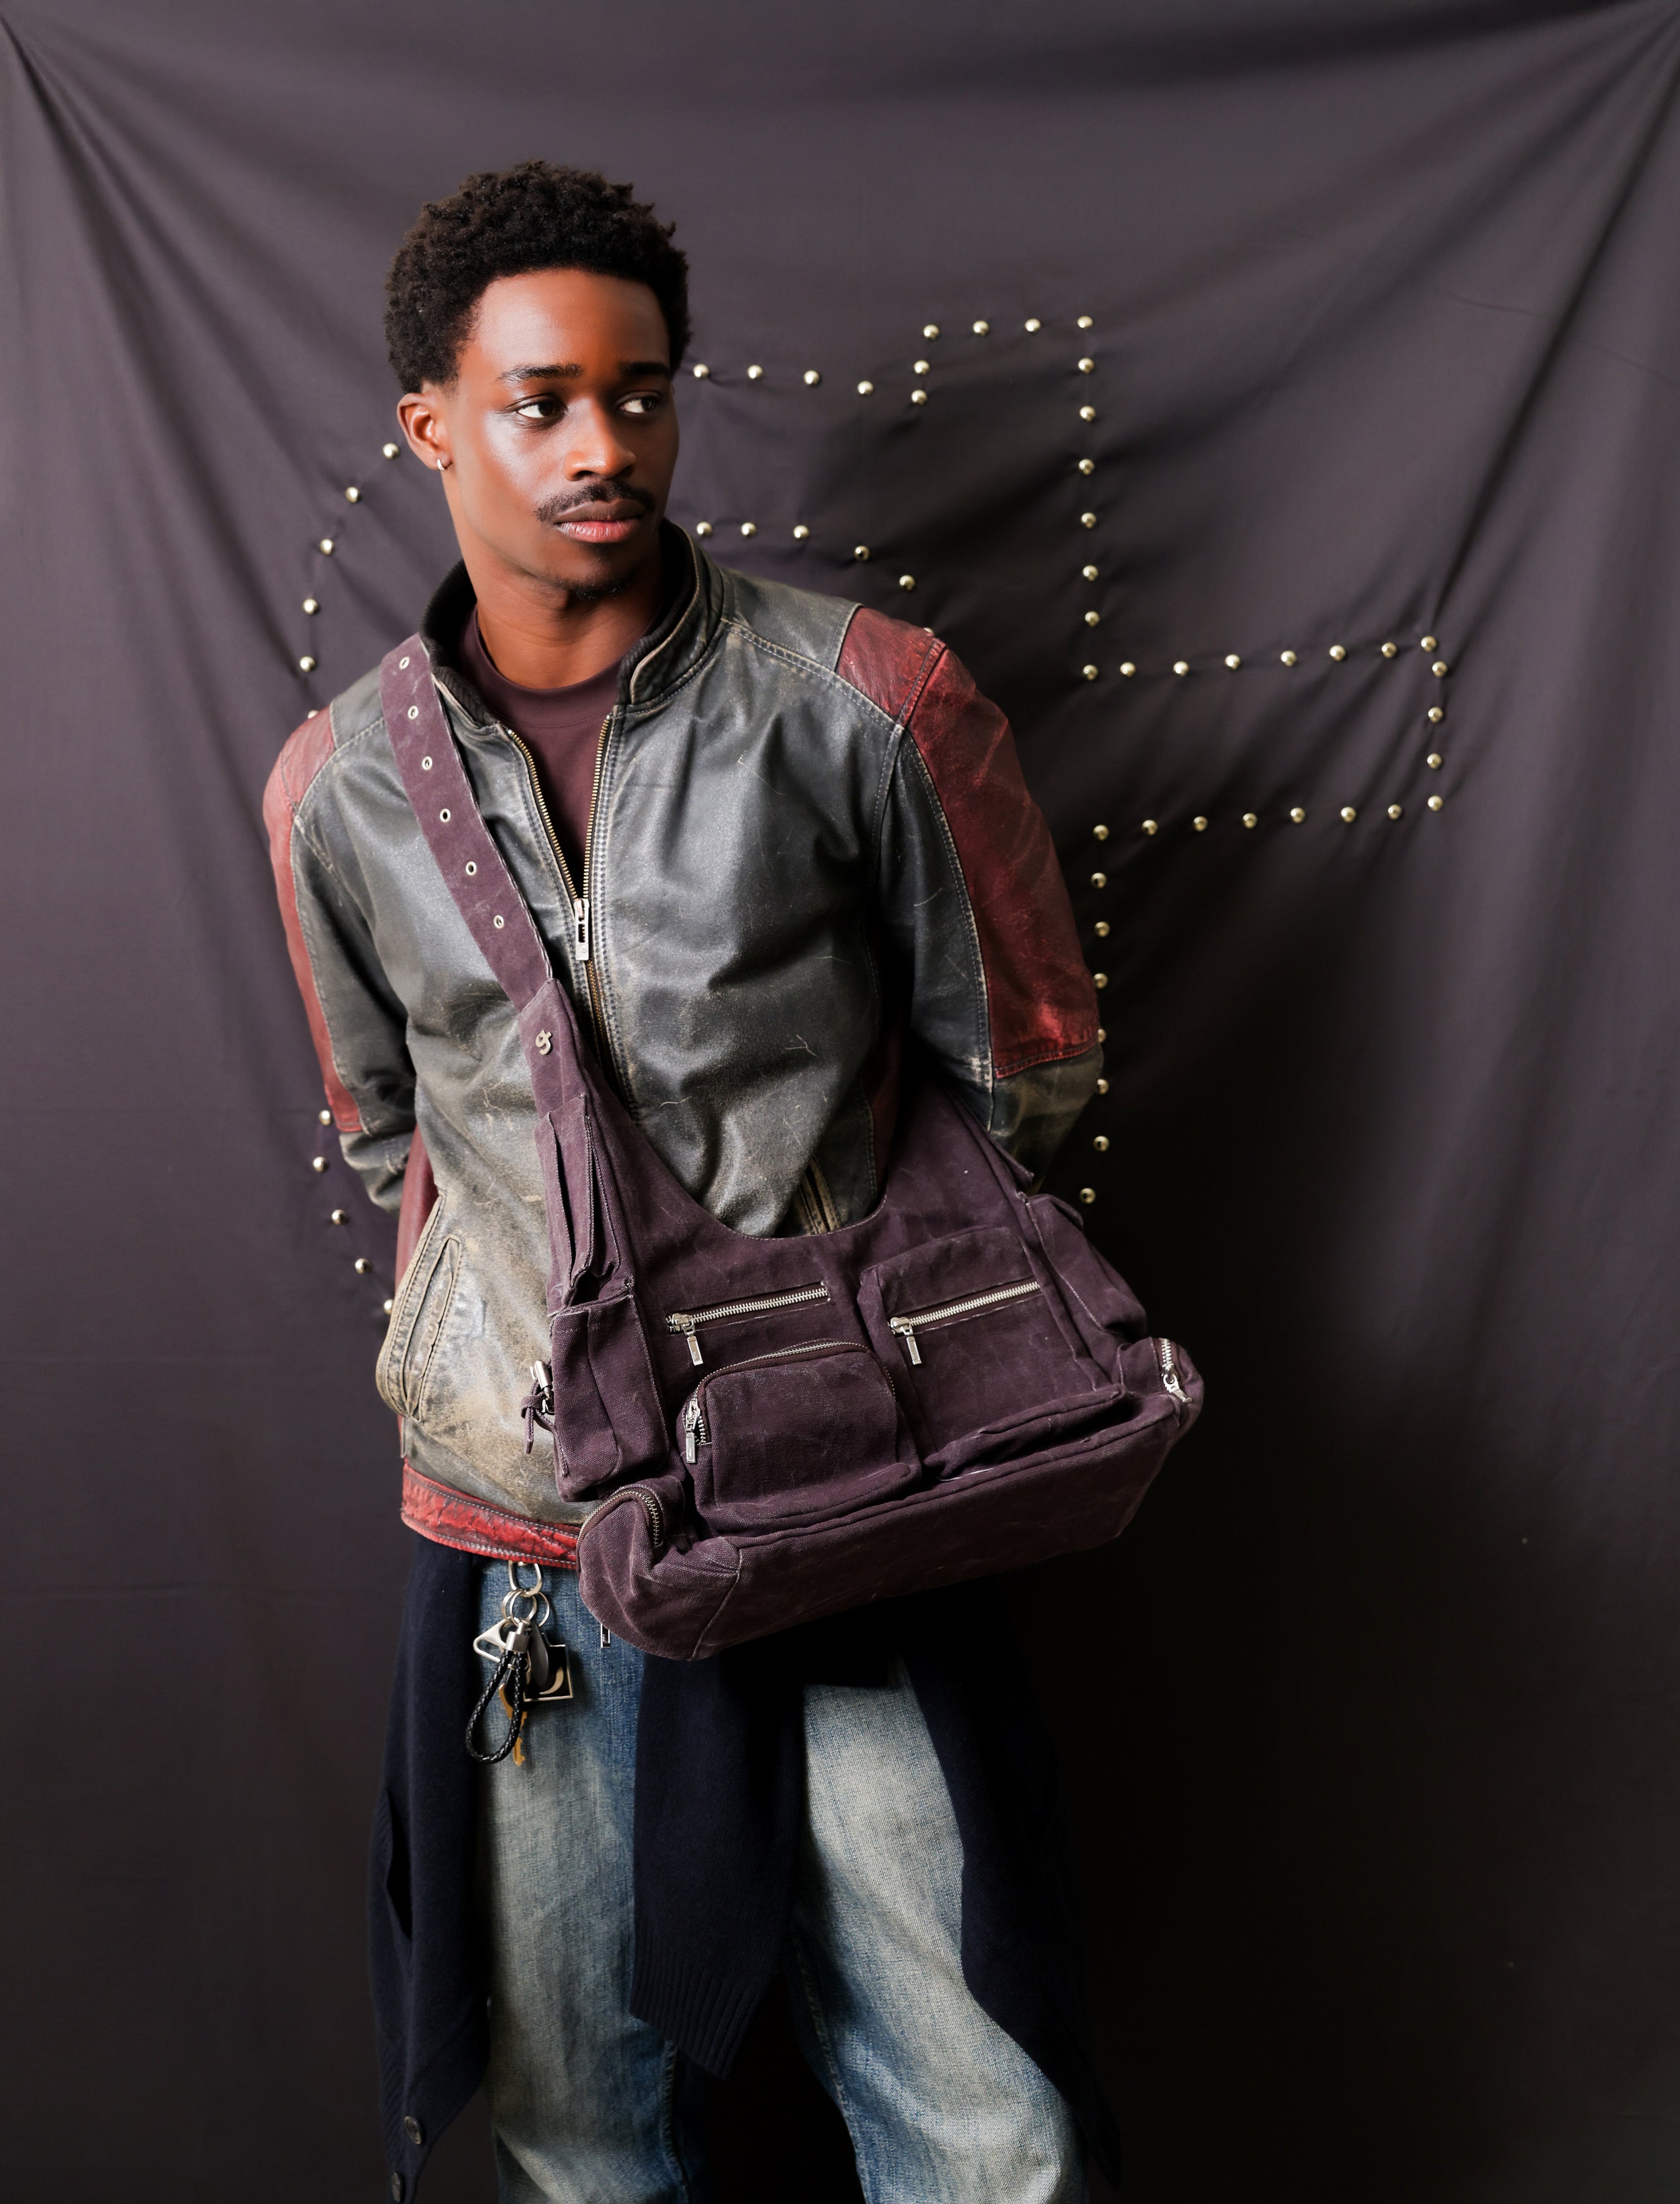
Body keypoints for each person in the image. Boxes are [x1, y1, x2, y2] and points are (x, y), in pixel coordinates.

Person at [266, 161, 1108, 2204]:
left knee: (976, 2122)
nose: (603, 446)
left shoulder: (861, 699)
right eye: (544, 400)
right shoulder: (337, 787)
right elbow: (392, 1125)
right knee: (572, 2125)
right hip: (525, 1525)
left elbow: (1030, 1072)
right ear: (433, 424)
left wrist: (805, 1302)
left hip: (838, 1493)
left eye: (641, 396)